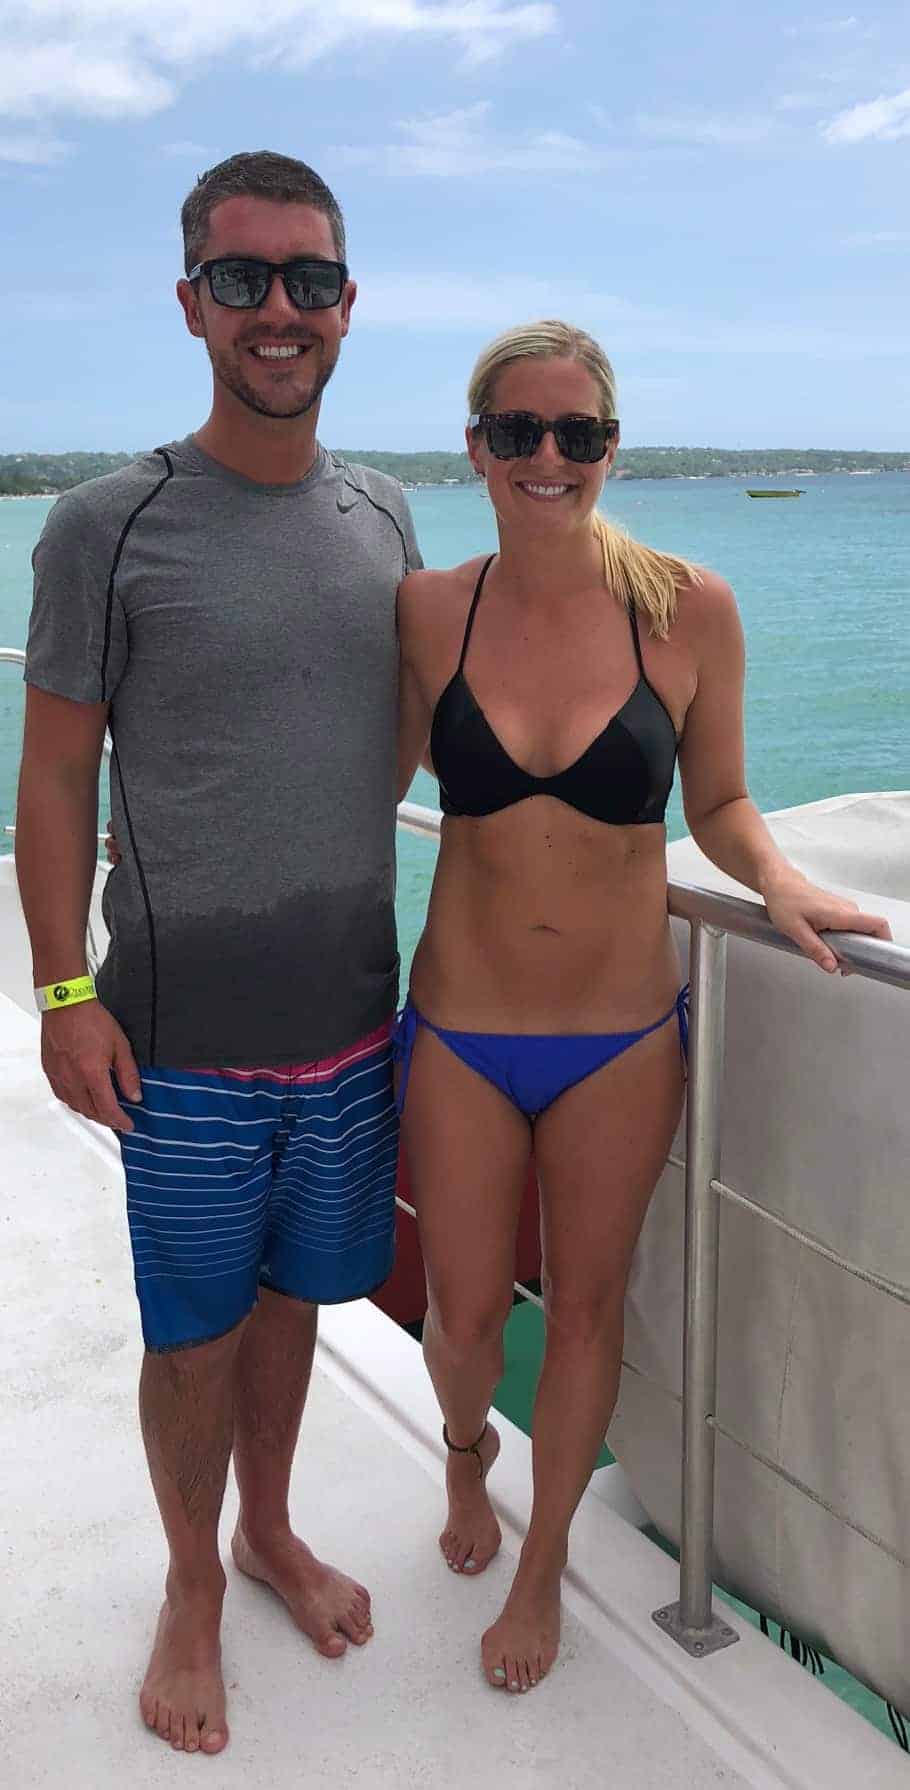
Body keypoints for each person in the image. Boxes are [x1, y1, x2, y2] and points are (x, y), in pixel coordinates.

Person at [391, 319, 891, 1696]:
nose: (548, 457)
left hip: (617, 1034)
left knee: (587, 1308)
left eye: (579, 433)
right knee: (464, 1319)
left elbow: (717, 799)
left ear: (613, 446)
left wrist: (776, 880)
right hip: (459, 1024)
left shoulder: (686, 606)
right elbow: (365, 773)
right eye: (518, 431)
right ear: (476, 447)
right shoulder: (430, 610)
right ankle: (465, 1451)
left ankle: (544, 1558)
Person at [15, 151, 420, 1755]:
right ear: (191, 302)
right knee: (192, 1329)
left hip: (351, 1012)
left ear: (346, 303)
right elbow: (56, 773)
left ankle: (269, 1530)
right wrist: (61, 986)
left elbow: (397, 729)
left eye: (306, 280)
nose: (277, 310)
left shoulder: (381, 512)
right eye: (242, 279)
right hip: (178, 1031)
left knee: (298, 1298)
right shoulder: (105, 523)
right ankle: (192, 1580)